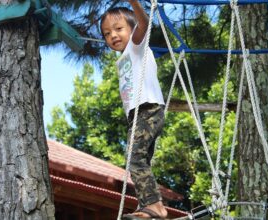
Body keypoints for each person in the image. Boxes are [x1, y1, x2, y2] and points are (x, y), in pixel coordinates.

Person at [100, 1, 168, 219]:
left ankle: (155, 205)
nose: (113, 36)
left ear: (132, 29)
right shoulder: (123, 59)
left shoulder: (136, 47)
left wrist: (134, 4)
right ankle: (147, 207)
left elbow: (145, 24)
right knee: (139, 161)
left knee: (134, 157)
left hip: (148, 108)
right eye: (107, 33)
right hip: (136, 115)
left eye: (118, 29)